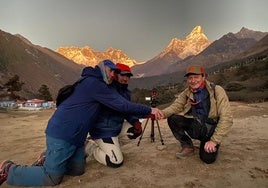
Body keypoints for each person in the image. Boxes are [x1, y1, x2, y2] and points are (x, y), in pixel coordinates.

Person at [0, 60, 163, 187]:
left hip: (77, 137)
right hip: (63, 133)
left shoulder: (98, 84)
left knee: (78, 170)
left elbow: (124, 108)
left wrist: (136, 120)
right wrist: (149, 110)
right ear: (102, 68)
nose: (114, 75)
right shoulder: (94, 84)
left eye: (115, 72)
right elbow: (121, 105)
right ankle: (9, 170)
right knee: (52, 177)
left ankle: (49, 159)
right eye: (112, 71)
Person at [161, 65, 233, 164]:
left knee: (207, 159)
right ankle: (187, 146)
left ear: (203, 77)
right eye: (190, 78)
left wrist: (214, 141)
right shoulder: (187, 92)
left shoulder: (217, 90)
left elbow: (227, 117)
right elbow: (176, 106)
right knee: (173, 118)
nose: (193, 80)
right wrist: (161, 113)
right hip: (196, 125)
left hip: (210, 130)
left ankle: (208, 143)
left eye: (196, 77)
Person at [85, 63, 143, 168]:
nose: (125, 79)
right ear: (115, 74)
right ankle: (92, 148)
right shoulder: (107, 90)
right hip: (103, 130)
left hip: (115, 127)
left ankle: (111, 147)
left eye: (128, 76)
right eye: (123, 75)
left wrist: (135, 121)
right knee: (116, 161)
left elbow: (126, 111)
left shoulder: (126, 92)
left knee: (134, 131)